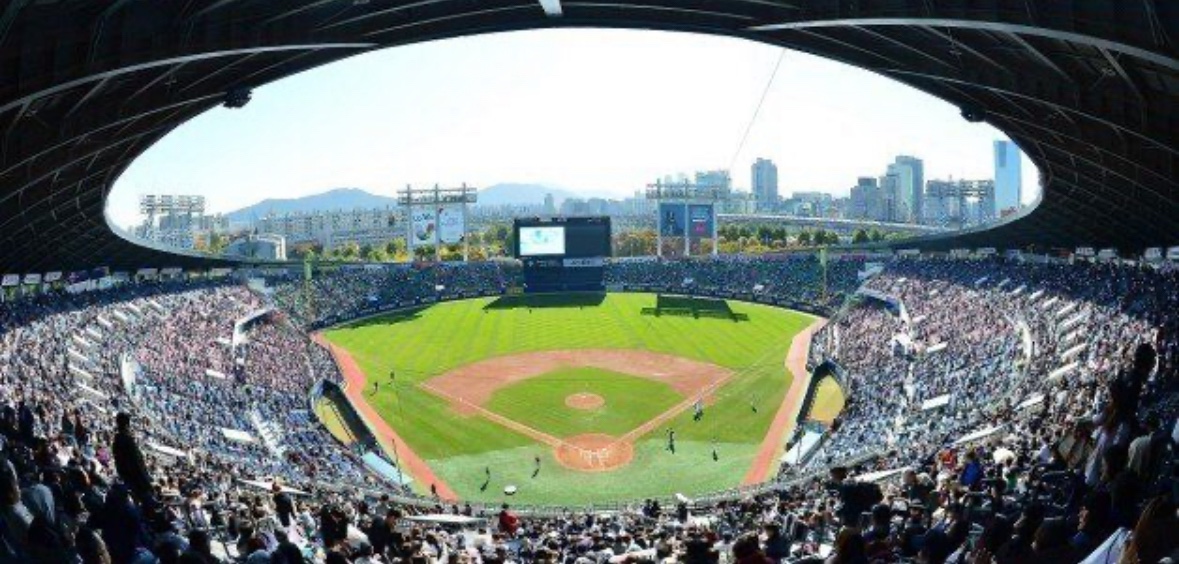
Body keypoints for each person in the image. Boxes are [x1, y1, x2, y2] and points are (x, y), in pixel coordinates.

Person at [112, 412, 155, 510]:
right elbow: (137, 463)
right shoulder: (128, 440)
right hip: (138, 480)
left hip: (128, 479)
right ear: (127, 425)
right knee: (148, 505)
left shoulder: (116, 441)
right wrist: (146, 482)